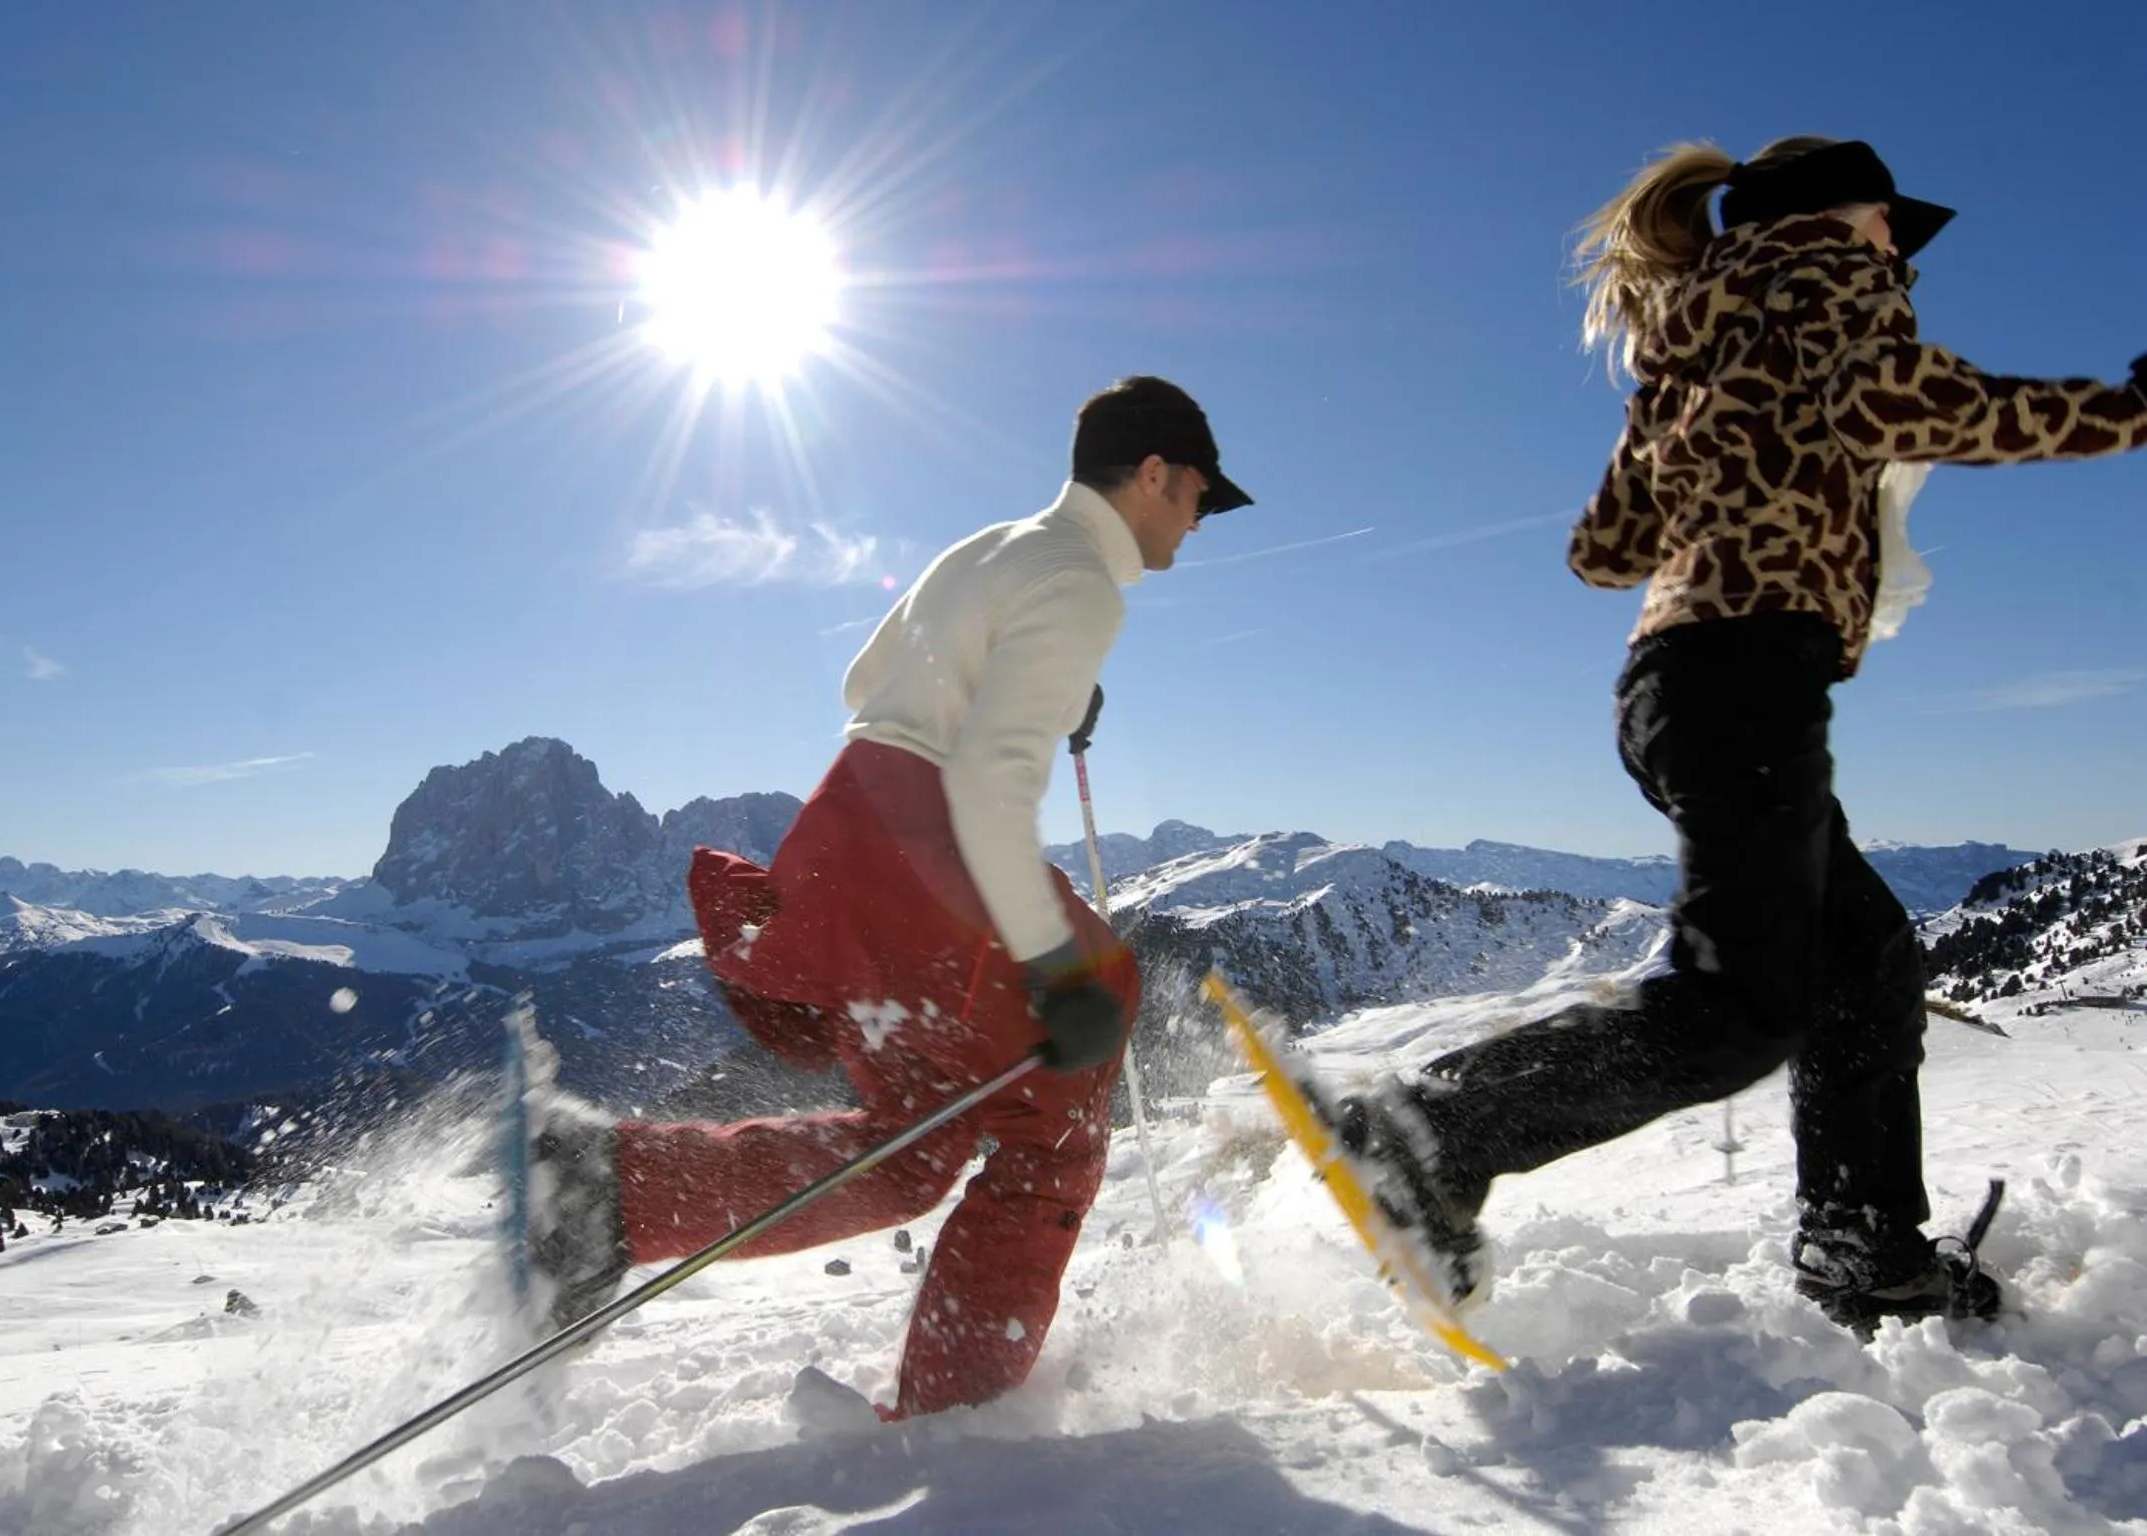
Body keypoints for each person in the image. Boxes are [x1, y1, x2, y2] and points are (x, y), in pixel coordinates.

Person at [1336, 136, 2147, 1333]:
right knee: (1737, 1012)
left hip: (1675, 687)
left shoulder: (1690, 340)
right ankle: (1431, 1130)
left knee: (1861, 956)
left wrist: (1729, 467)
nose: (1896, 251)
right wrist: (2127, 413)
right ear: (1844, 212)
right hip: (1747, 677)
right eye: (1888, 224)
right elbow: (1907, 400)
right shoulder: (1826, 271)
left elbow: (1601, 551)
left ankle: (1861, 1239)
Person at [528, 375, 1253, 1415]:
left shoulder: (993, 548)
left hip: (850, 821)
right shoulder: (1081, 583)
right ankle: (959, 1427)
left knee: (913, 1148)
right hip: (926, 840)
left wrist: (1021, 682)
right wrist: (1054, 966)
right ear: (1152, 475)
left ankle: (610, 1191)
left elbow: (867, 683)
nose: (1196, 520)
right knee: (1062, 1112)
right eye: (1195, 496)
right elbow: (991, 787)